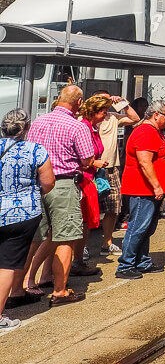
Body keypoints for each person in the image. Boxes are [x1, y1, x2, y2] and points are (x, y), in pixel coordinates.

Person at [24, 86, 92, 306]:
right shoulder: (76, 126)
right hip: (62, 184)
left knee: (35, 238)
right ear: (79, 102)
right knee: (65, 238)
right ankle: (60, 291)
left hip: (37, 184)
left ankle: (21, 285)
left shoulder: (38, 121)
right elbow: (87, 160)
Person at [1, 109, 55, 330]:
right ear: (26, 128)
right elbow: (48, 183)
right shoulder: (36, 151)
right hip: (22, 214)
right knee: (7, 265)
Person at [116, 101, 165, 280]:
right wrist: (156, 185)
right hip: (143, 189)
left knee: (146, 227)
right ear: (156, 115)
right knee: (138, 227)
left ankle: (142, 261)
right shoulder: (145, 132)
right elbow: (144, 161)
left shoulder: (153, 131)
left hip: (149, 189)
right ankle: (126, 264)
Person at [68, 95, 112, 276]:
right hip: (82, 180)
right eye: (103, 112)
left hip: (89, 180)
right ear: (94, 112)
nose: (106, 115)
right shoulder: (83, 128)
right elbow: (80, 157)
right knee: (81, 223)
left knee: (85, 222)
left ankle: (78, 260)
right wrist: (95, 163)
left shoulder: (92, 128)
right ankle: (75, 261)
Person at [92, 91, 138, 254]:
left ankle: (107, 242)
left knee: (113, 207)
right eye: (104, 99)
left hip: (111, 168)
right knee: (89, 208)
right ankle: (82, 246)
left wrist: (122, 103)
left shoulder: (113, 117)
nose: (108, 101)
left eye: (108, 98)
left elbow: (135, 119)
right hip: (91, 169)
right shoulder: (86, 119)